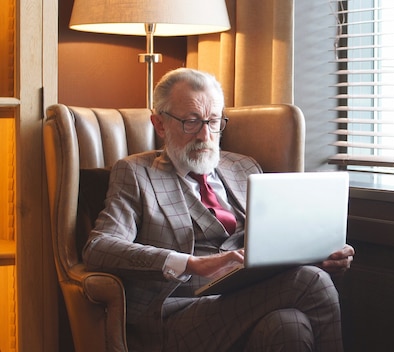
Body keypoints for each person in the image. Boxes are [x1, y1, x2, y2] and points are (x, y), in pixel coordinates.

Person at [82, 67, 355, 352]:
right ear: (160, 124)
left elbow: (275, 244)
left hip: (246, 297)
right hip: (178, 313)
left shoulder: (244, 167)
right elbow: (99, 247)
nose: (205, 135)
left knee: (289, 325)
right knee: (311, 282)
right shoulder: (136, 173)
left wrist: (321, 254)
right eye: (191, 122)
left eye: (213, 122)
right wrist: (189, 263)